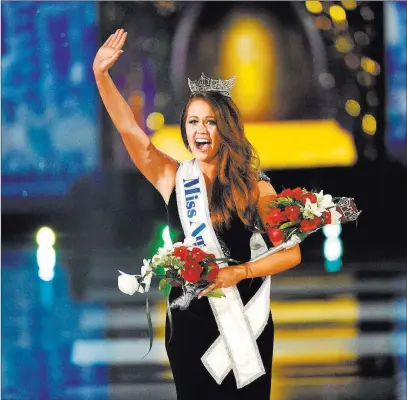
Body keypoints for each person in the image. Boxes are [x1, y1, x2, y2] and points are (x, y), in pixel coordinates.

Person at [93, 28, 301, 400]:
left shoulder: (254, 186)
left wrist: (240, 271)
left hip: (244, 322)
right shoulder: (173, 176)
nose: (201, 130)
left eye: (210, 121)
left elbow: (291, 252)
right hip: (189, 322)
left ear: (227, 128)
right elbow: (129, 129)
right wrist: (102, 77)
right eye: (193, 121)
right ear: (184, 129)